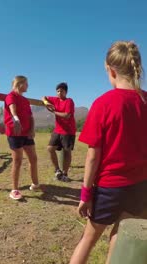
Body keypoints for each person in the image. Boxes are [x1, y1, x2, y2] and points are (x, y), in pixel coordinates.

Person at [70, 41, 147, 263]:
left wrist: (85, 194)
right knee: (121, 234)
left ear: (111, 71)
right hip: (141, 186)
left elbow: (93, 156)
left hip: (109, 188)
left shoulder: (103, 104)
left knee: (88, 238)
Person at [4, 76, 42, 200]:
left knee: (33, 158)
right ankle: (14, 190)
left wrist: (32, 129)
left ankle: (35, 184)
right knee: (18, 161)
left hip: (26, 133)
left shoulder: (25, 100)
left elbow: (31, 117)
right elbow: (12, 110)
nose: (28, 86)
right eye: (26, 83)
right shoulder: (11, 96)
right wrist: (16, 119)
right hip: (15, 133)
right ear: (19, 84)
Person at [42, 82, 76, 182]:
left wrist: (53, 112)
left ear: (66, 92)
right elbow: (43, 97)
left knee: (67, 151)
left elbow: (67, 115)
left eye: (61, 91)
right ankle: (57, 170)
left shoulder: (69, 101)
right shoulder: (55, 99)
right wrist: (46, 102)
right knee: (50, 148)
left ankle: (65, 174)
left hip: (68, 131)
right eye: (57, 91)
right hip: (58, 130)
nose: (59, 93)